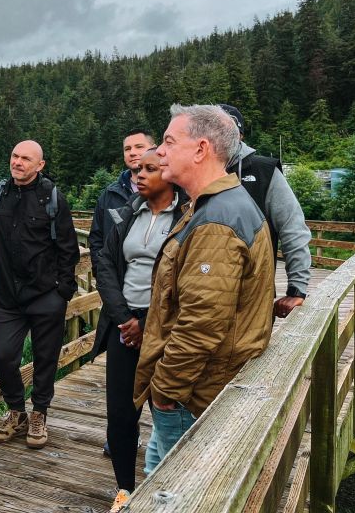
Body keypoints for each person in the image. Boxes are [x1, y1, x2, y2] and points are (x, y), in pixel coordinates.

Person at [134, 104, 275, 473]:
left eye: (168, 141)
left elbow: (201, 325)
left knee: (170, 490)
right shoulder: (216, 205)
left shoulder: (217, 221)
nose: (159, 151)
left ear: (200, 150)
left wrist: (164, 393)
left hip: (191, 397)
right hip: (196, 390)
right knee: (155, 482)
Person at [89, 149, 185, 512]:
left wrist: (147, 325)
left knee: (168, 408)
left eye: (150, 168)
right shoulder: (130, 212)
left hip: (165, 326)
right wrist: (124, 318)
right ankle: (125, 491)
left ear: (170, 173)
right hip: (123, 321)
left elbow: (184, 280)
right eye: (137, 168)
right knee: (121, 412)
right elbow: (106, 265)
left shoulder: (187, 216)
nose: (139, 174)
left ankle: (172, 490)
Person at [0, 140, 79, 449]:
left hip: (46, 295)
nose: (17, 162)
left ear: (40, 165)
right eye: (14, 156)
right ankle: (17, 411)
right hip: (9, 297)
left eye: (25, 158)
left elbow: (68, 250)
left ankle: (39, 413)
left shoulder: (52, 197)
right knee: (4, 356)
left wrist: (62, 293)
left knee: (45, 359)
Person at [219, 104, 312, 318]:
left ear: (240, 134)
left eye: (227, 129)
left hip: (254, 295)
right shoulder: (190, 173)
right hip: (200, 293)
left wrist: (297, 288)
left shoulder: (265, 171)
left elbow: (293, 228)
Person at [89, 129, 156, 276]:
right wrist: (102, 276)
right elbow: (96, 239)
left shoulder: (169, 192)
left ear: (154, 149)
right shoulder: (109, 195)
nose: (132, 152)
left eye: (139, 147)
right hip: (115, 283)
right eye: (127, 149)